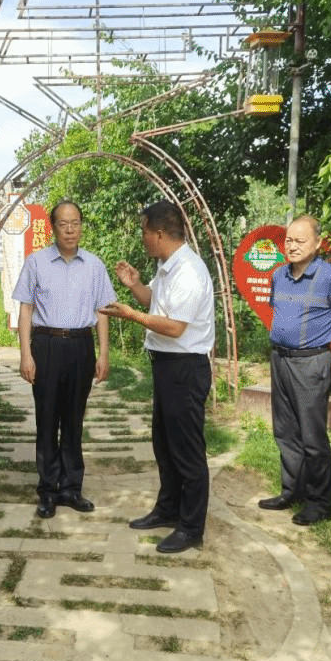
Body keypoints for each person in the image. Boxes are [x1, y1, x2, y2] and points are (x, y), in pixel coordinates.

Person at [100, 200, 215, 554]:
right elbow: (157, 304)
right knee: (165, 444)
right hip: (166, 365)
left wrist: (131, 315)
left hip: (185, 367)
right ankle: (168, 509)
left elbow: (175, 326)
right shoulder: (167, 267)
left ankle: (191, 527)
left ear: (160, 233)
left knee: (187, 450)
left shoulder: (189, 271)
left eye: (144, 231)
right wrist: (135, 285)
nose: (143, 238)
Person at [12, 199, 116, 518]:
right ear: (53, 228)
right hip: (47, 345)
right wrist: (26, 354)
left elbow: (103, 311)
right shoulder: (36, 262)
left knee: (74, 419)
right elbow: (25, 309)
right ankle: (47, 490)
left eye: (75, 223)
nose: (70, 230)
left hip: (81, 346)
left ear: (81, 226)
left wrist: (103, 353)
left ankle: (71, 487)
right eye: (63, 224)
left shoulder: (95, 265)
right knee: (47, 419)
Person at [259, 216, 331, 525]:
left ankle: (319, 502)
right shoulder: (279, 275)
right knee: (285, 431)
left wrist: (319, 337)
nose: (292, 246)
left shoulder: (330, 277)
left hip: (311, 363)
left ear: (317, 243)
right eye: (288, 240)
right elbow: (279, 312)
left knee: (312, 436)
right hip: (280, 360)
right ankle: (292, 491)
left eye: (300, 241)